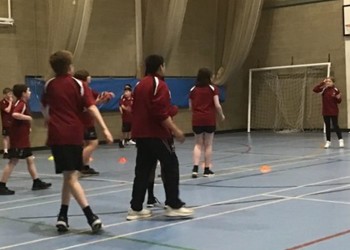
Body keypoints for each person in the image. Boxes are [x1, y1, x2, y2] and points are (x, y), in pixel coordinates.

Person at [41, 50, 113, 233]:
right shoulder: (78, 84)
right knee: (72, 177)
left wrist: (49, 123)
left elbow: (45, 110)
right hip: (73, 134)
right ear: (69, 66)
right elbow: (91, 108)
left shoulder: (49, 85)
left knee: (68, 175)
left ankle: (62, 217)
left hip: (57, 135)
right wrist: (104, 128)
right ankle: (91, 216)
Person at [127, 54, 193, 220]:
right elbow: (159, 113)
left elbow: (142, 109)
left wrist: (171, 110)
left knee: (142, 170)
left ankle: (135, 208)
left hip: (141, 135)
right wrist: (176, 130)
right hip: (157, 134)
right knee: (170, 165)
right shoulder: (159, 84)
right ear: (160, 66)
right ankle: (173, 204)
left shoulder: (140, 84)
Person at [0, 84, 52, 195]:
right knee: (13, 161)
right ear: (23, 93)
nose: (30, 92)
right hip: (18, 140)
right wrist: (28, 118)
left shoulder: (22, 103)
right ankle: (1, 185)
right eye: (28, 91)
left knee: (30, 159)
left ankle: (36, 182)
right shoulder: (21, 104)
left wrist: (28, 127)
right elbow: (14, 114)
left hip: (23, 138)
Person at [189, 68, 225, 178]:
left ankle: (195, 169)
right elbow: (217, 105)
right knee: (208, 144)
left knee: (198, 144)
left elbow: (191, 107)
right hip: (209, 119)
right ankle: (207, 169)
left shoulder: (193, 90)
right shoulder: (213, 89)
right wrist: (222, 115)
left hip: (197, 119)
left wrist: (196, 114)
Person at [74, 69, 106, 176]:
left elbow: (95, 99)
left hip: (85, 120)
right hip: (85, 121)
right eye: (89, 76)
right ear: (86, 78)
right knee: (93, 143)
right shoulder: (82, 88)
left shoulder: (86, 89)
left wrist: (104, 97)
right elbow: (88, 106)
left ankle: (85, 166)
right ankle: (78, 165)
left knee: (87, 143)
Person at [313, 77, 343, 149]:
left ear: (333, 82)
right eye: (327, 81)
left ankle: (340, 140)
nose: (328, 82)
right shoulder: (324, 89)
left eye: (329, 81)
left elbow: (339, 101)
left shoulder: (336, 90)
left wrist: (338, 98)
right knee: (327, 126)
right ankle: (328, 141)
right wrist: (322, 83)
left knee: (335, 125)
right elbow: (315, 90)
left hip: (334, 111)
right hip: (325, 111)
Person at [118, 84, 135, 148]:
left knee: (130, 130)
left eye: (127, 92)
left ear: (130, 92)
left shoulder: (133, 98)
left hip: (132, 117)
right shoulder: (123, 98)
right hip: (126, 118)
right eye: (125, 92)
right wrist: (125, 109)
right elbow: (121, 105)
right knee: (124, 131)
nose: (126, 93)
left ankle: (129, 140)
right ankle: (121, 141)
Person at [0, 88, 13, 159]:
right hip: (6, 122)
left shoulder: (13, 102)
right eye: (9, 94)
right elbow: (7, 110)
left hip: (12, 122)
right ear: (5, 94)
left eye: (11, 93)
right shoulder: (2, 102)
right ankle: (5, 151)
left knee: (12, 136)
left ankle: (12, 150)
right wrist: (10, 102)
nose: (10, 95)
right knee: (6, 137)